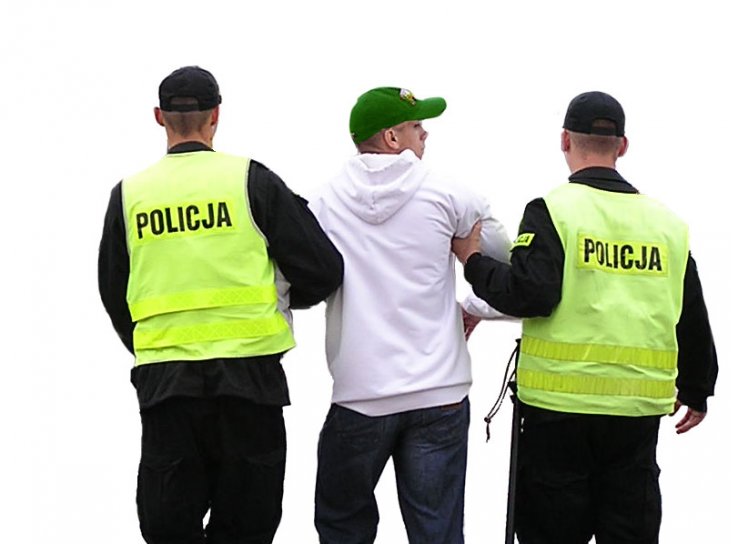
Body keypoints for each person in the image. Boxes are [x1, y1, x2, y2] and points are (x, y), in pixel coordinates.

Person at [452, 91, 719, 544]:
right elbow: (689, 307)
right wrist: (698, 386)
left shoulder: (552, 211)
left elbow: (531, 294)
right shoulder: (666, 225)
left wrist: (473, 262)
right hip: (635, 412)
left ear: (564, 140)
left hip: (559, 410)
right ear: (623, 146)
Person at [97, 65, 343, 544]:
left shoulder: (128, 195)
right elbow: (323, 269)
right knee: (248, 524)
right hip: (249, 383)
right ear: (216, 116)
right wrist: (278, 301)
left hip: (167, 385)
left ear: (159, 117)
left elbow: (114, 292)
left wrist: (156, 342)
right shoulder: (252, 181)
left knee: (168, 525)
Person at [308, 86, 512, 544]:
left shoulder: (319, 204)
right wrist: (477, 307)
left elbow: (291, 278)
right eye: (417, 126)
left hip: (360, 396)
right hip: (439, 395)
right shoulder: (452, 196)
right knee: (437, 533)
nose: (425, 135)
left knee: (342, 528)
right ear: (391, 138)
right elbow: (513, 272)